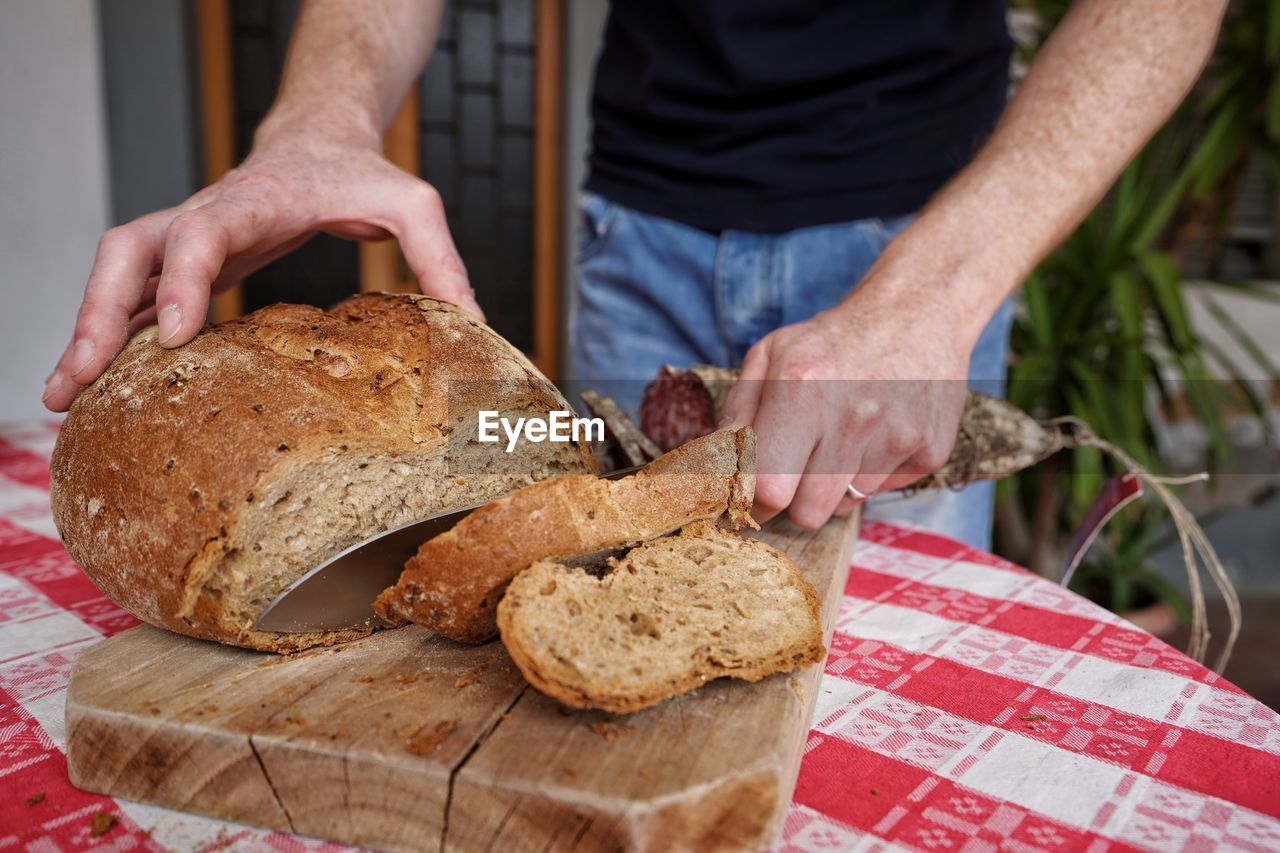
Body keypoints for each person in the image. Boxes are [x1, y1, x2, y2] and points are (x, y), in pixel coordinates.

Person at [42, 0, 1227, 550]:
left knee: (872, 660)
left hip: (913, 259)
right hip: (636, 234)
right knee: (583, 517)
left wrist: (930, 295)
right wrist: (314, 120)